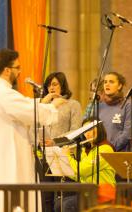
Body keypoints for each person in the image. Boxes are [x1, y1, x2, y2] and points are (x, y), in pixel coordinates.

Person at [0, 48, 63, 212]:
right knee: (15, 201)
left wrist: (42, 101)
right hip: (8, 161)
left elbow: (23, 105)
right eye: (17, 68)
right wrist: (53, 106)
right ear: (7, 70)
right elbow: (32, 113)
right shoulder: (3, 94)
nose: (19, 72)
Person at [39, 71, 82, 211]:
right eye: (48, 85)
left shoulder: (73, 104)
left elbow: (76, 131)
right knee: (46, 198)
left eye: (55, 84)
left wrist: (55, 142)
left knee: (64, 197)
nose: (51, 88)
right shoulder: (43, 107)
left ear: (62, 85)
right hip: (44, 155)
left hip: (64, 154)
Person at [57, 118, 116, 211]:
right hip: (88, 193)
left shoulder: (105, 149)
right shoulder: (86, 150)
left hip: (104, 193)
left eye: (90, 130)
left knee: (68, 205)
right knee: (58, 204)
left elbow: (81, 170)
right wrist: (66, 169)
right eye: (85, 131)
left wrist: (67, 156)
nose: (87, 134)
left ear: (99, 129)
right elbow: (79, 176)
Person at [98, 71, 132, 152]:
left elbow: (128, 133)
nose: (107, 84)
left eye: (111, 82)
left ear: (119, 86)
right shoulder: (99, 105)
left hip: (118, 153)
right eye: (105, 82)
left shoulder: (128, 105)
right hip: (100, 153)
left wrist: (111, 148)